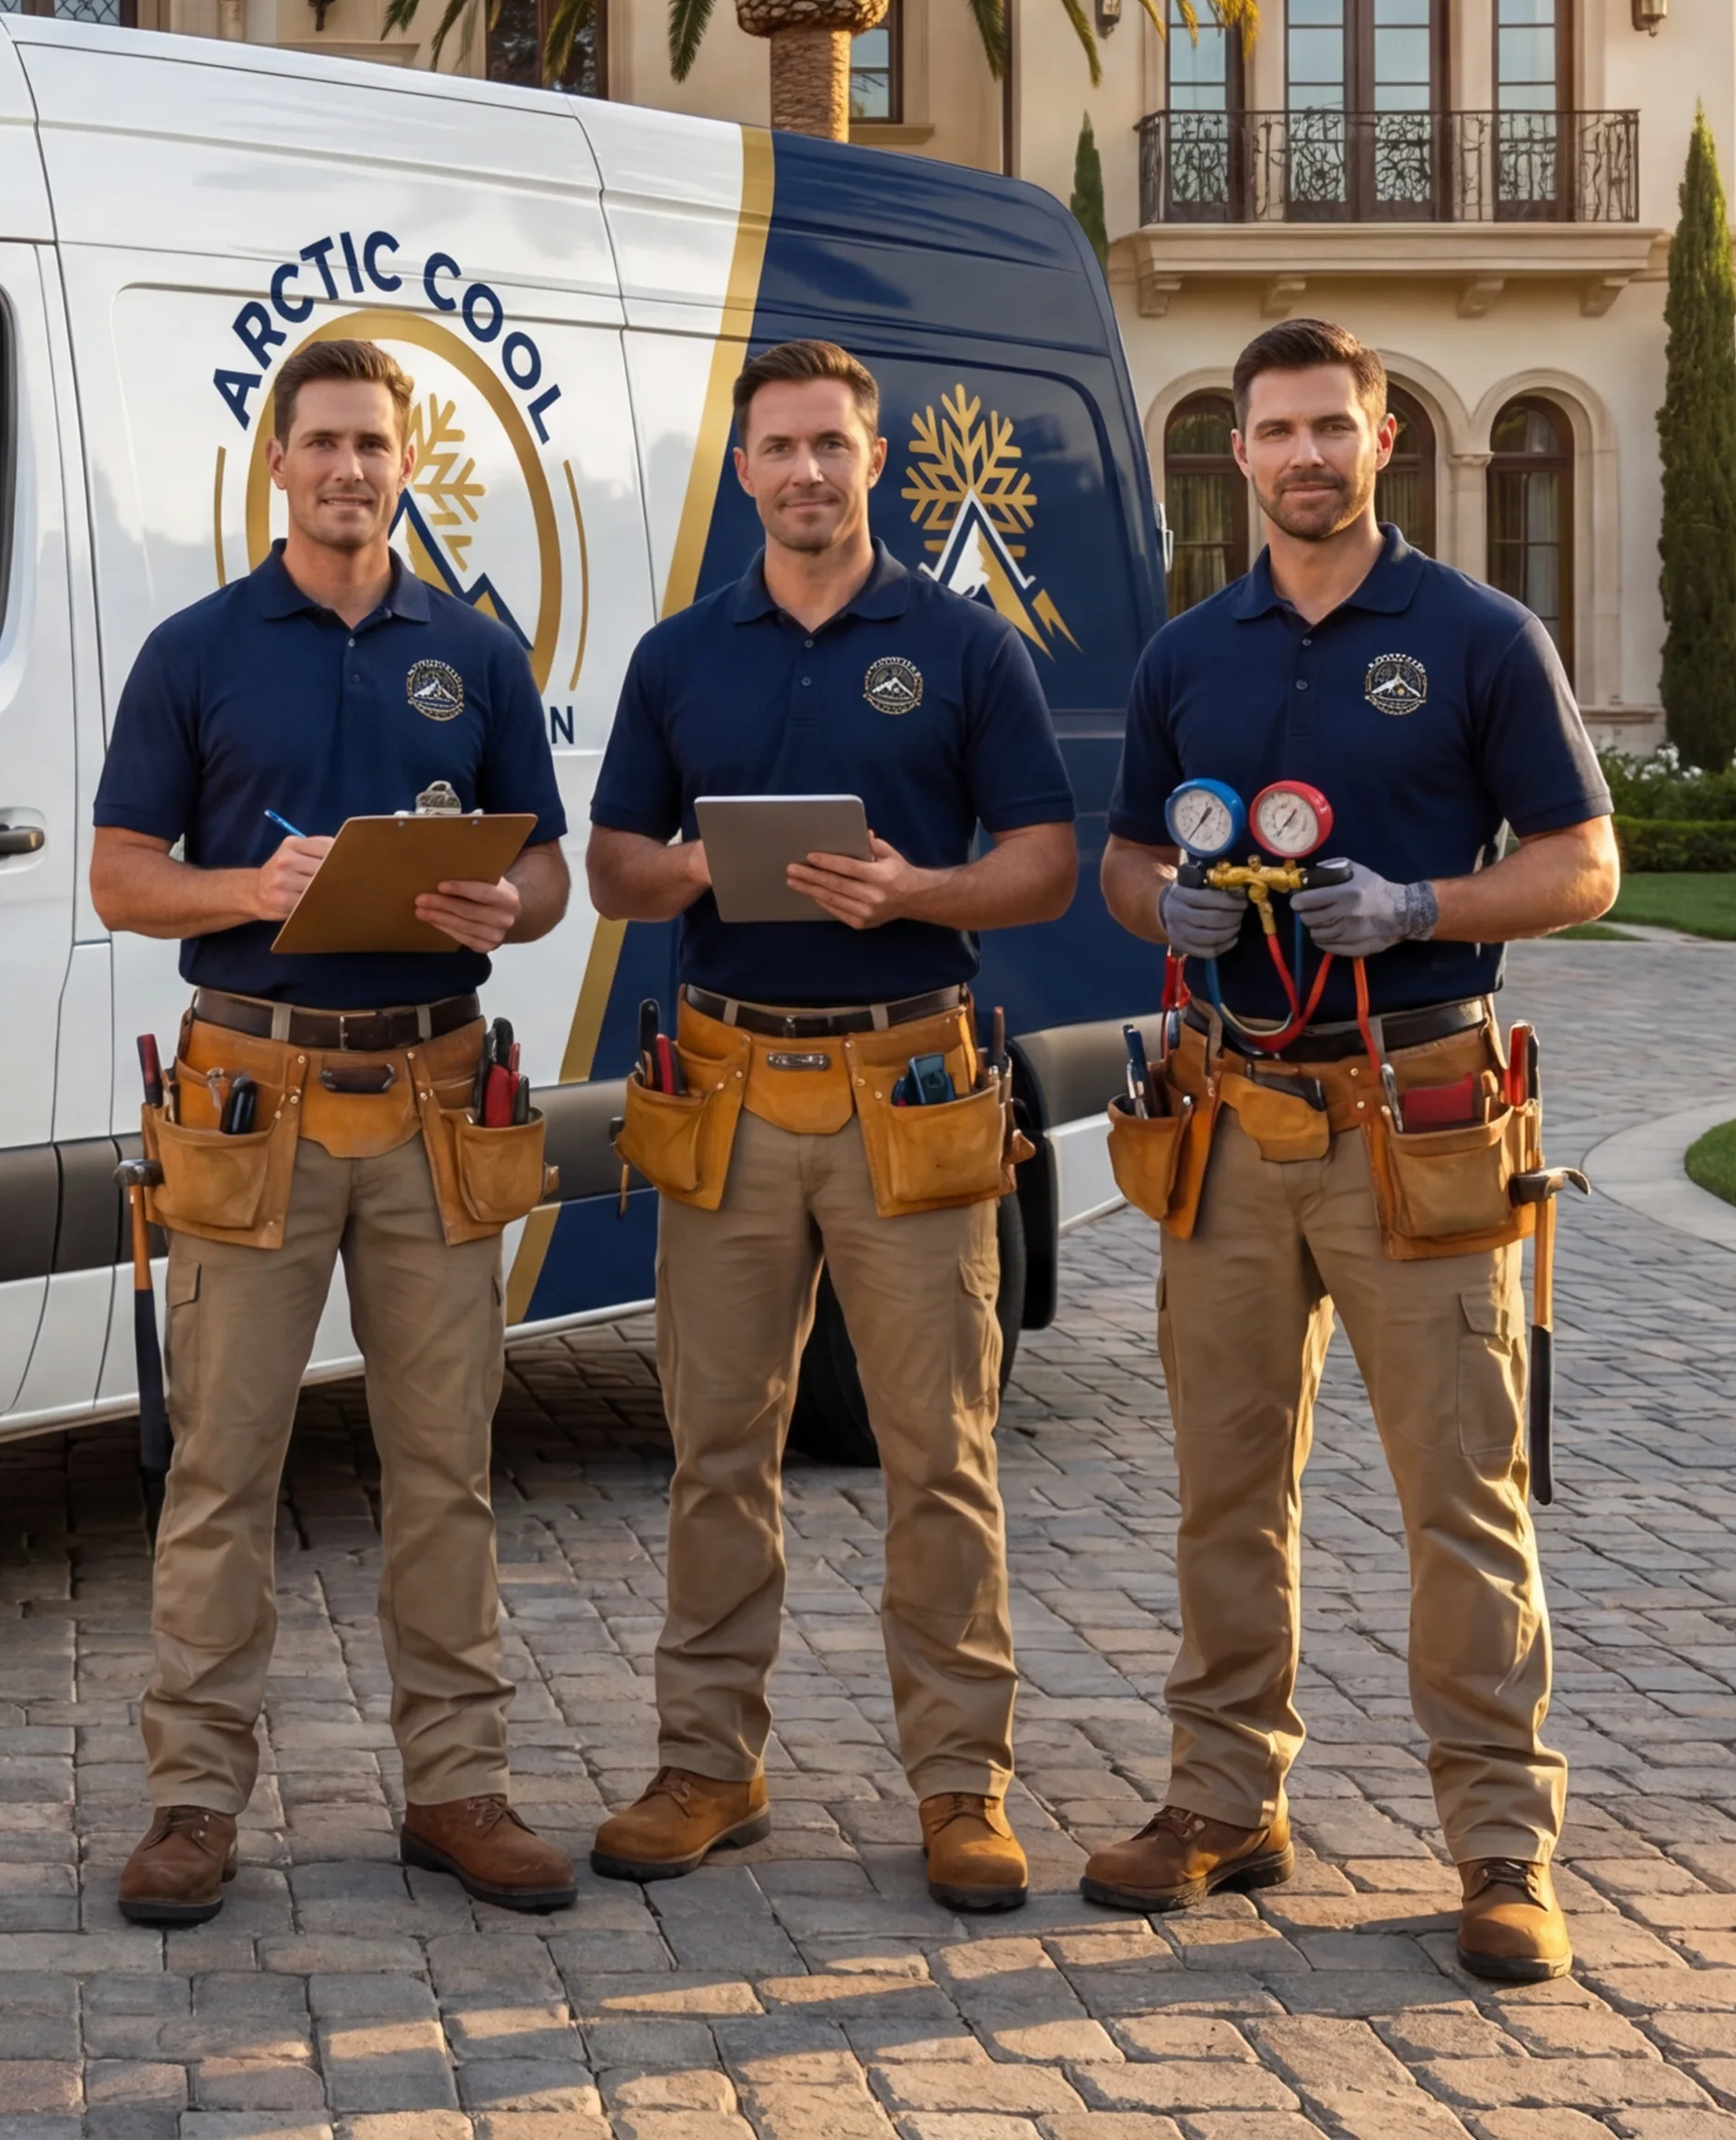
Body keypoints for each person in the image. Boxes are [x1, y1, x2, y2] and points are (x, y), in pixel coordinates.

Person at [1090, 317, 1616, 1988]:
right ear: (1235, 454)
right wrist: (1153, 907)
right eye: (1274, 431)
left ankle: (1501, 1850)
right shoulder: (1190, 654)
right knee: (1224, 1492)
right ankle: (1225, 1804)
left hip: (1419, 1117)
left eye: (1333, 426)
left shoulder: (1476, 636)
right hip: (1232, 1114)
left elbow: (1587, 862)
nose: (1304, 455)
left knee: (1460, 1497)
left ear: (1382, 442)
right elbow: (1119, 864)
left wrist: (1422, 908)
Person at [578, 338, 1078, 1908]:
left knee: (941, 1454)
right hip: (725, 1085)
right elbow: (611, 867)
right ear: (742, 472)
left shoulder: (962, 645)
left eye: (831, 447)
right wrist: (714, 871)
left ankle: (959, 1791)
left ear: (878, 460)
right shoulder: (679, 657)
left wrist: (917, 890)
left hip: (911, 1086)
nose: (805, 473)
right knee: (716, 1450)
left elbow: (1048, 862)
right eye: (778, 449)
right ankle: (707, 1767)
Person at [87, 335, 577, 1926]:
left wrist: (508, 900)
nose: (352, 470)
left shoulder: (480, 655)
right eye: (325, 444)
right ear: (276, 464)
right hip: (255, 1097)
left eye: (376, 444)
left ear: (405, 462)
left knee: (446, 1467)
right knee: (224, 1468)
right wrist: (250, 889)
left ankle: (458, 1789)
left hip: (437, 1091)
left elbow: (552, 877)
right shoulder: (197, 649)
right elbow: (116, 876)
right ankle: (191, 1805)